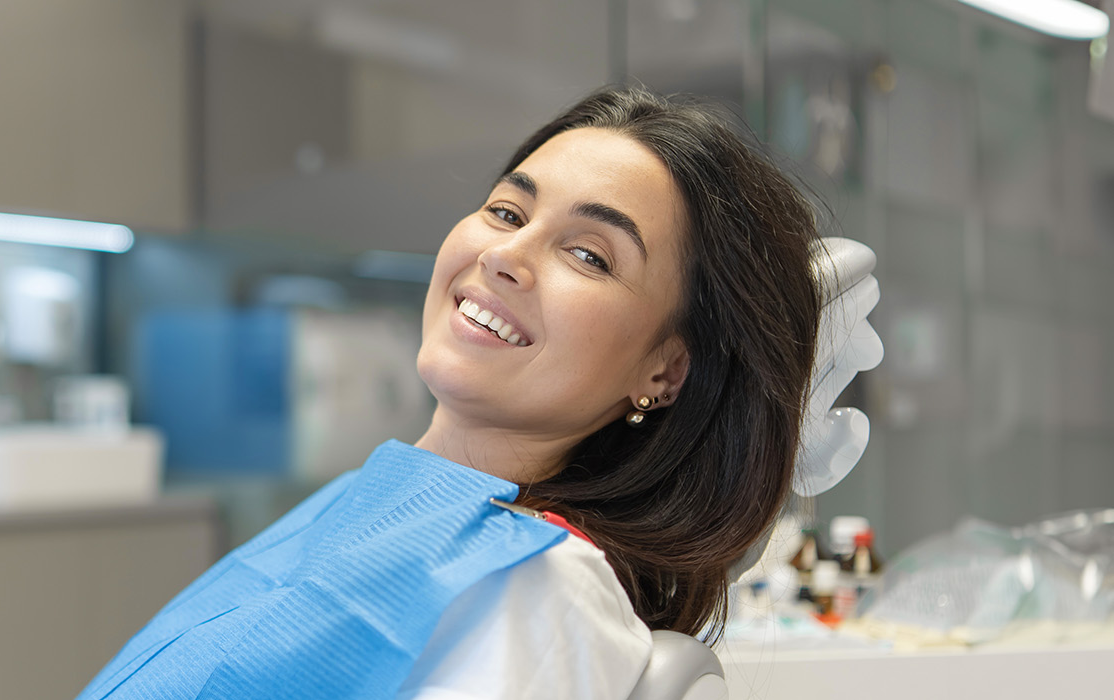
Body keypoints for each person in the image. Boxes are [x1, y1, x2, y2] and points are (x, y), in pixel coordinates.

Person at [79, 86, 821, 699]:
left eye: (588, 255)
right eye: (507, 211)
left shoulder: (539, 587)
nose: (506, 256)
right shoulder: (362, 503)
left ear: (664, 371)